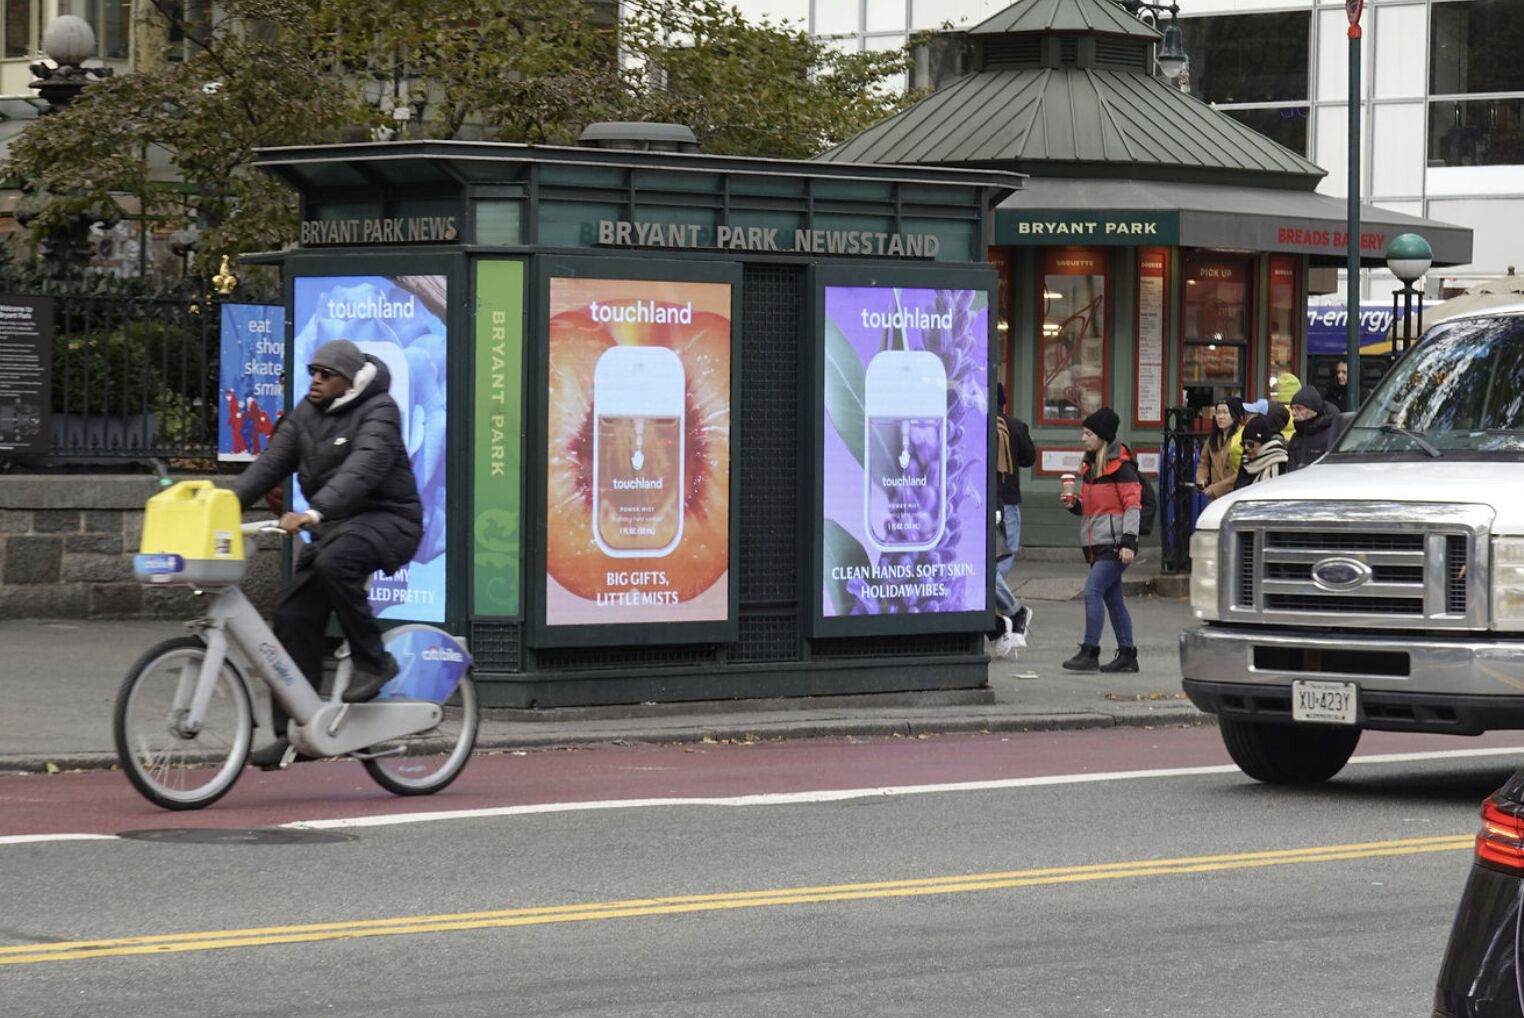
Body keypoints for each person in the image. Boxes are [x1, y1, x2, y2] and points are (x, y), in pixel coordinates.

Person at [231, 339, 423, 769]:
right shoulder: (305, 414)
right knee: (293, 615)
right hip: (334, 528)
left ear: (350, 380)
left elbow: (364, 469)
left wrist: (316, 511)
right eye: (312, 371)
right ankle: (292, 733)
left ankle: (374, 663)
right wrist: (219, 505)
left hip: (388, 520)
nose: (315, 380)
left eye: (325, 374)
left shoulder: (380, 410)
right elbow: (268, 466)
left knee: (336, 564)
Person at [1060, 408, 1141, 674]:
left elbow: (1132, 506)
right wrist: (1074, 504)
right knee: (1113, 599)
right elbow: (1090, 508)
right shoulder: (1092, 466)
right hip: (1098, 541)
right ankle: (1127, 655)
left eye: (1088, 433)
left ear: (1102, 437)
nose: (1083, 438)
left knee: (1093, 591)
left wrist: (1129, 542)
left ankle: (1090, 651)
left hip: (1115, 544)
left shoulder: (1123, 467)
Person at [994, 383, 1037, 639]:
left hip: (987, 503)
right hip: (1008, 499)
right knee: (1000, 562)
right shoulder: (1016, 426)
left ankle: (1003, 619)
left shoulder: (978, 422)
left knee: (992, 566)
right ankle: (1012, 613)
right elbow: (1029, 458)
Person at [1195, 398, 1244, 501]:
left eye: (1225, 413)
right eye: (1218, 413)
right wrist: (1201, 478)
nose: (1220, 417)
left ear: (1235, 415)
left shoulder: (1242, 436)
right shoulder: (1213, 438)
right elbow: (1204, 462)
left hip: (1235, 495)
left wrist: (1215, 488)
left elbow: (1242, 472)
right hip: (1215, 498)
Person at [1287, 385, 1339, 470]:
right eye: (1292, 408)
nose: (1293, 413)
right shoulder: (1295, 437)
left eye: (1299, 408)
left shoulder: (1331, 436)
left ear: (1313, 410)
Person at [1234, 415, 1290, 489]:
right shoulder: (1245, 463)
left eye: (1251, 444)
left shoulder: (1282, 462)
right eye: (1243, 444)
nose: (1246, 447)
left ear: (1263, 444)